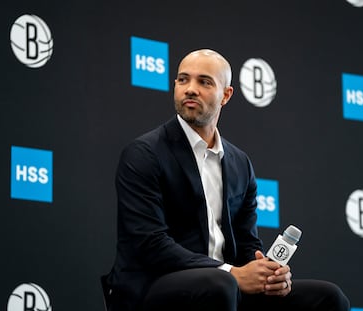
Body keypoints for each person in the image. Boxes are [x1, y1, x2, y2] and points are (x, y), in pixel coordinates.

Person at [106, 48, 350, 311]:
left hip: (225, 285)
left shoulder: (239, 163)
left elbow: (247, 243)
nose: (190, 89)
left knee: (328, 297)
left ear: (226, 95)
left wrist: (268, 274)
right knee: (221, 285)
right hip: (154, 285)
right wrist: (230, 272)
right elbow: (149, 244)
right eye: (183, 80)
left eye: (204, 82)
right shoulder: (144, 153)